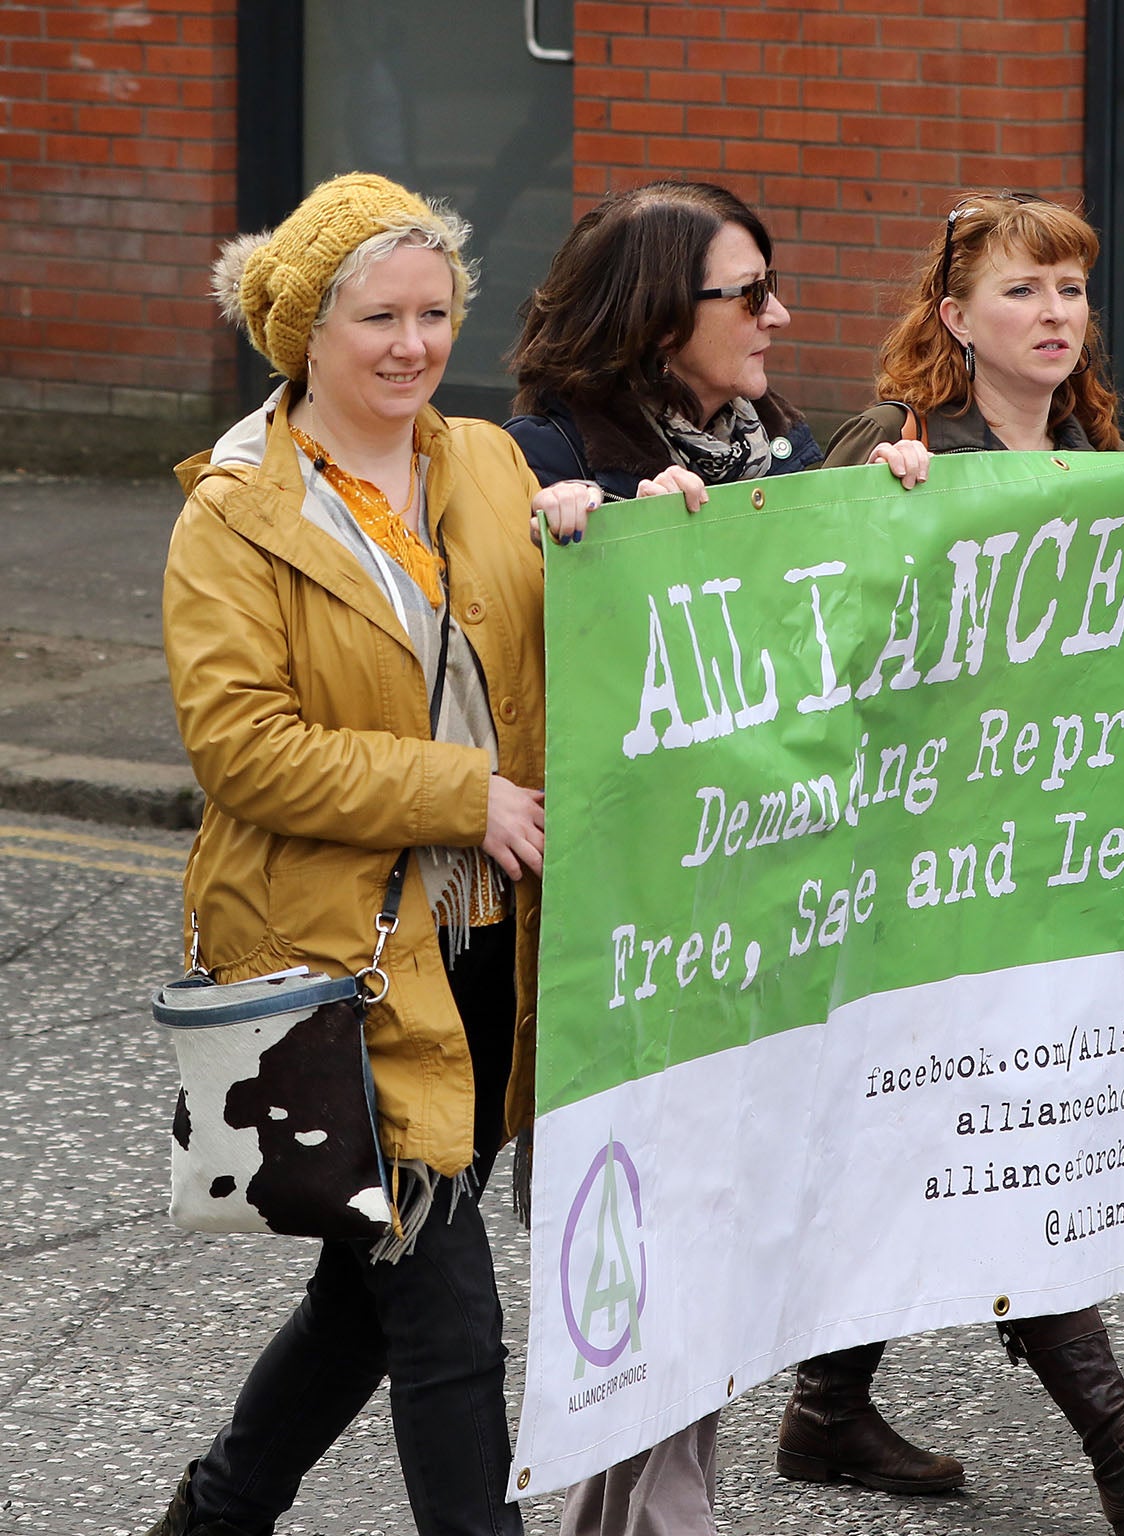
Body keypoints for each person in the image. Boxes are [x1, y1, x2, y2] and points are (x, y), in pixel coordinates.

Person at [144, 172, 573, 1536]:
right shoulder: (233, 512)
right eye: (378, 316)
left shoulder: (489, 462)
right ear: (307, 336)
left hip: (487, 948)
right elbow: (244, 748)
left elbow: (553, 659)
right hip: (337, 956)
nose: (412, 344)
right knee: (445, 1318)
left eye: (435, 312)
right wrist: (468, 797)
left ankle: (216, 1514)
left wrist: (603, 541)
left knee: (367, 1290)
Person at [503, 178, 933, 1536]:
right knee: (646, 1241)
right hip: (628, 943)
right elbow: (514, 660)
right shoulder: (542, 455)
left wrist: (884, 510)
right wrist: (572, 536)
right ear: (654, 314)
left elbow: (839, 664)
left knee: (720, 1238)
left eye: (771, 285)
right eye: (747, 293)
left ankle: (635, 1512)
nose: (777, 315)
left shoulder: (783, 452)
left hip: (762, 919)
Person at [821, 190, 1124, 1536]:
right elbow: (818, 663)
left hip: (1050, 866)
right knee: (1015, 1146)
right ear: (953, 317)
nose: (1055, 315)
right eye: (1022, 291)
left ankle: (826, 1409)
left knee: (939, 1144)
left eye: (1069, 290)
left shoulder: (1098, 450)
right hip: (917, 877)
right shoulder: (891, 451)